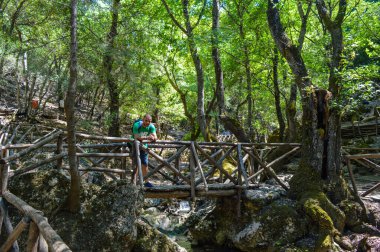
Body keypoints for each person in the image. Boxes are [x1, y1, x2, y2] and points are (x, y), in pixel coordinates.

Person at [132, 114, 157, 187]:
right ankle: (134, 182)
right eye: (146, 120)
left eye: (149, 121)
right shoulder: (137, 125)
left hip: (144, 146)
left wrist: (153, 137)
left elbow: (155, 136)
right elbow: (136, 137)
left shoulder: (151, 126)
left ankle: (146, 182)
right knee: (136, 163)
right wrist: (148, 137)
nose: (147, 122)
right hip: (134, 145)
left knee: (145, 164)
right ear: (143, 119)